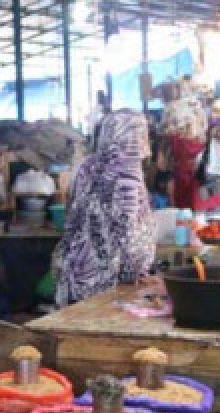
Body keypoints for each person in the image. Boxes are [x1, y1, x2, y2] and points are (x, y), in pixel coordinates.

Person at [54, 109, 156, 307]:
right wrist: (137, 272)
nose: (145, 141)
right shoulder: (127, 175)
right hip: (107, 283)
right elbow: (127, 232)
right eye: (142, 134)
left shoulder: (86, 167)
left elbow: (71, 217)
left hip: (76, 272)